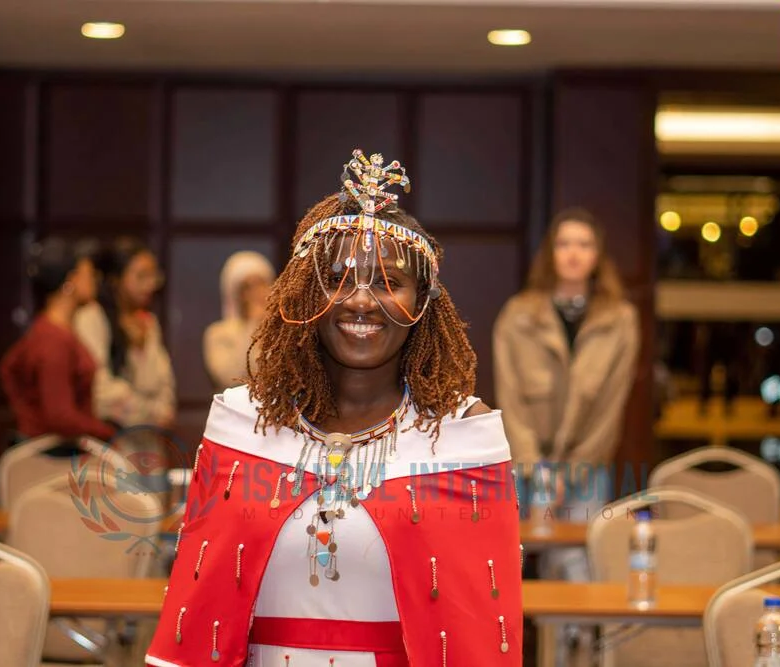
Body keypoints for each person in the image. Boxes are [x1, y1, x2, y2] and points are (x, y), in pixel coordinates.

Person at [145, 149, 523, 666]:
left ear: (422, 301)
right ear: (308, 293)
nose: (362, 300)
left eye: (389, 281)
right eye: (339, 277)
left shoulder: (462, 435)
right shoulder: (241, 423)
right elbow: (199, 607)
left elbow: (477, 627)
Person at [494, 207, 639, 581]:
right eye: (564, 244)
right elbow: (510, 400)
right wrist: (537, 468)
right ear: (550, 253)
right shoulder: (517, 315)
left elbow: (610, 408)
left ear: (598, 255)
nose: (573, 253)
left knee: (578, 568)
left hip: (587, 465)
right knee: (507, 568)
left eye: (584, 244)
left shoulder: (619, 320)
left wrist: (572, 469)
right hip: (526, 463)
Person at [0, 237, 116, 442]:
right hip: (57, 454)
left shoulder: (49, 332)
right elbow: (60, 416)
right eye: (88, 273)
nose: (95, 280)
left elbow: (8, 368)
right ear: (70, 281)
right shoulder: (53, 339)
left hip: (62, 448)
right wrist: (108, 433)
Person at [73, 237, 176, 429]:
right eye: (141, 276)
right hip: (110, 434)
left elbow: (163, 382)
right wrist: (150, 413)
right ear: (116, 279)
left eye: (153, 276)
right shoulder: (92, 317)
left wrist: (141, 348)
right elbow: (100, 390)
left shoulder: (149, 323)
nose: (150, 285)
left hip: (149, 434)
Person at [202, 250, 275, 392]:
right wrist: (252, 326)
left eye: (261, 284)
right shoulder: (218, 333)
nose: (257, 292)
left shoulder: (282, 331)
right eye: (248, 287)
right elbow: (229, 377)